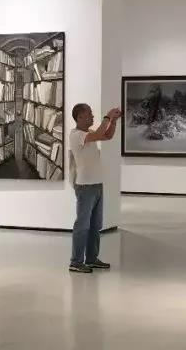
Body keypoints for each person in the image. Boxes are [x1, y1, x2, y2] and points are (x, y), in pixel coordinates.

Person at [68, 103, 122, 273]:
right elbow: (100, 133)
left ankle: (91, 259)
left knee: (94, 225)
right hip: (85, 186)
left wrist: (113, 121)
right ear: (80, 117)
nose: (92, 117)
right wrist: (107, 116)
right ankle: (76, 262)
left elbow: (107, 136)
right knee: (82, 225)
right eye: (89, 114)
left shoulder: (88, 133)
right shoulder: (76, 135)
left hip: (97, 185)